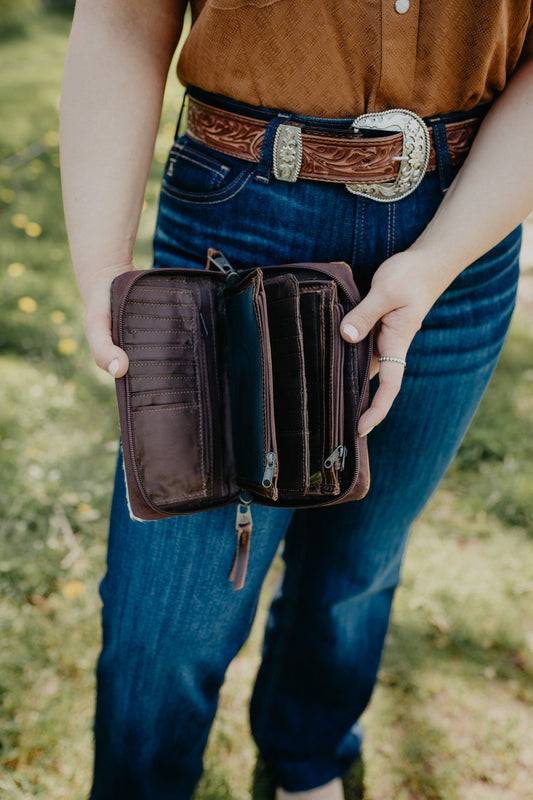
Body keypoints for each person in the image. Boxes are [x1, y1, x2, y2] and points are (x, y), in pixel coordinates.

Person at [59, 2, 533, 798]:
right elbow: (121, 19)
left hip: (463, 227)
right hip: (242, 220)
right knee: (169, 615)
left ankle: (305, 763)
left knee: (357, 565)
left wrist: (437, 261)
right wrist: (100, 268)